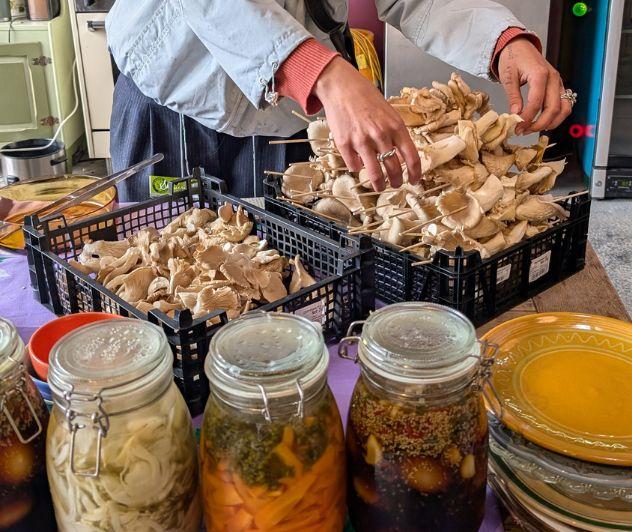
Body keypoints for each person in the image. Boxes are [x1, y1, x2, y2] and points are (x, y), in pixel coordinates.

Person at [106, 1, 573, 201]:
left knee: (284, 278)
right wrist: (322, 72)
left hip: (293, 112)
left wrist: (502, 40)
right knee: (164, 280)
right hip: (177, 96)